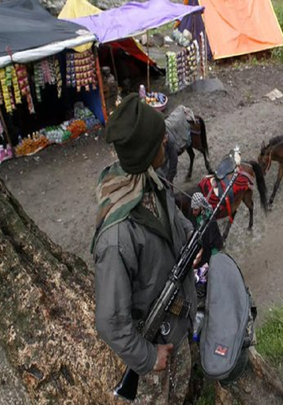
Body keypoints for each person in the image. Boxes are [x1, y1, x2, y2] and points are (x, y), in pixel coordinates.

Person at [92, 93, 197, 401]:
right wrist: (147, 358)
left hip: (176, 328)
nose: (166, 138)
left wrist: (190, 236)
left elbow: (174, 220)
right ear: (146, 151)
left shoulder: (151, 182)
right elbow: (109, 322)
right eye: (159, 137)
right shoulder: (117, 238)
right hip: (153, 353)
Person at [190, 192, 223, 268]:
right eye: (193, 209)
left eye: (195, 210)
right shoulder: (195, 216)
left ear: (201, 208)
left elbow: (214, 244)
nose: (193, 212)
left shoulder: (211, 222)